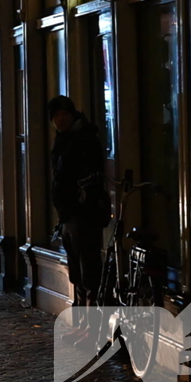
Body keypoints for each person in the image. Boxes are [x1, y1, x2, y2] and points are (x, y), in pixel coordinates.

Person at [48, 95, 110, 345]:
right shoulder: (64, 139)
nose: (60, 120)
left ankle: (92, 329)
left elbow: (87, 177)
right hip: (69, 214)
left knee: (88, 271)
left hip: (82, 214)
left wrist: (78, 204)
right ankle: (84, 325)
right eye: (56, 116)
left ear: (72, 114)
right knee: (78, 271)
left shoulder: (83, 139)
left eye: (64, 114)